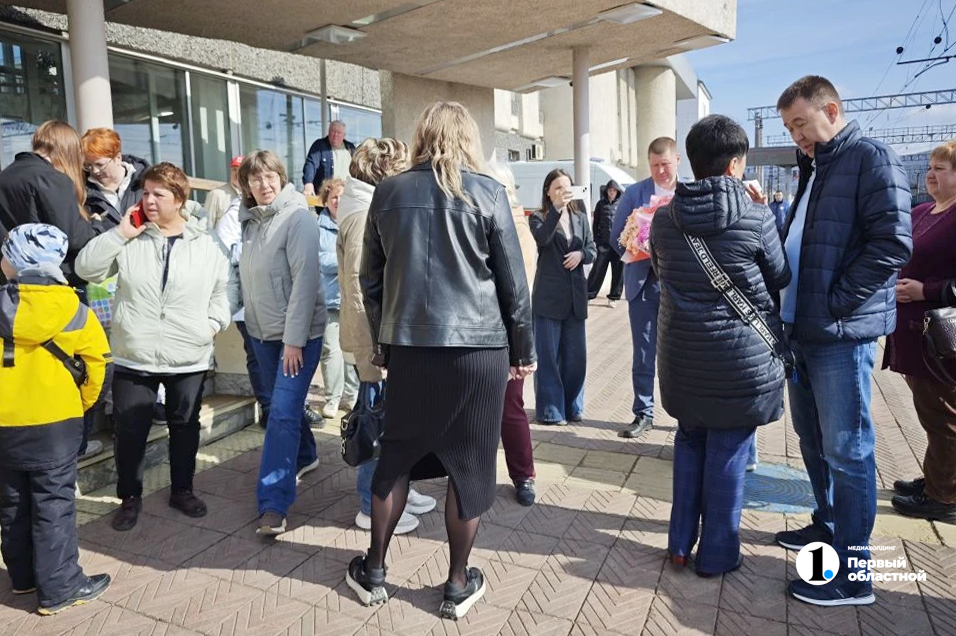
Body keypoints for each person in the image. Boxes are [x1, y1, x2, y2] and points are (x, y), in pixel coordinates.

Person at [345, 101, 535, 619]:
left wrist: (384, 343)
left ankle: (374, 570)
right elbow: (513, 284)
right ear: (468, 137)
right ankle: (456, 583)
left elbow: (370, 280)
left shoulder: (389, 192)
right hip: (479, 350)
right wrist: (524, 351)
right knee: (470, 464)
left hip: (411, 348)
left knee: (397, 457)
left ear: (422, 136)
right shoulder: (489, 191)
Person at [772, 76, 912, 607]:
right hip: (803, 330)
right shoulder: (818, 166)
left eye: (800, 124)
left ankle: (855, 575)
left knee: (848, 450)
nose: (796, 136)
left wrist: (834, 302)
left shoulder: (871, 158)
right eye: (789, 129)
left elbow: (891, 244)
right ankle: (827, 526)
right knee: (812, 441)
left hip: (838, 333)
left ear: (830, 110)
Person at [651, 115, 790, 577]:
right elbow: (780, 275)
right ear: (734, 165)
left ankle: (678, 545)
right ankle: (717, 554)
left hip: (682, 359)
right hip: (739, 364)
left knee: (689, 440)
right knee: (728, 450)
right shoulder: (756, 217)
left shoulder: (664, 219)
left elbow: (661, 271)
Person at [75, 163, 232, 532]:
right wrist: (120, 233)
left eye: (158, 194)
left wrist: (212, 324)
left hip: (188, 353)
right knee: (130, 431)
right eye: (145, 193)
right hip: (135, 353)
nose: (148, 200)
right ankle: (129, 497)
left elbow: (223, 289)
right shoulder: (131, 237)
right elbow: (86, 269)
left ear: (179, 199)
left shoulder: (206, 242)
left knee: (185, 426)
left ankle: (182, 490)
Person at [0, 224, 112, 615]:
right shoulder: (75, 310)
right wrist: (82, 404)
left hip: (4, 423)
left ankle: (23, 578)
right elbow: (99, 366)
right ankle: (61, 586)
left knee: (12, 500)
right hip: (55, 422)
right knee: (54, 503)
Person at [337, 138, 437, 533]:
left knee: (392, 422)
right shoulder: (363, 213)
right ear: (384, 170)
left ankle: (398, 490)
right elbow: (361, 289)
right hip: (374, 344)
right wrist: (379, 349)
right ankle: (370, 504)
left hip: (379, 340)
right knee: (376, 424)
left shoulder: (366, 206)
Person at [0, 121, 105, 461]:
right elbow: (75, 237)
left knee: (22, 368)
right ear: (67, 150)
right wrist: (98, 226)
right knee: (69, 365)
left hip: (12, 290)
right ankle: (77, 444)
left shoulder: (5, 176)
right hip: (58, 289)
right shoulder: (53, 179)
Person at [237, 150, 326, 537]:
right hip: (261, 333)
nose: (264, 184)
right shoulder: (250, 222)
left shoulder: (297, 218)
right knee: (280, 407)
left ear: (282, 177)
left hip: (297, 337)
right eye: (255, 179)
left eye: (270, 176)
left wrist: (294, 342)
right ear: (246, 185)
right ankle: (305, 454)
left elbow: (305, 282)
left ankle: (273, 503)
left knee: (282, 414)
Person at [885, 141, 956, 523]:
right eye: (930, 167)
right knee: (930, 412)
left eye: (941, 168)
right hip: (915, 336)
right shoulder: (922, 211)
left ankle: (944, 497)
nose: (930, 174)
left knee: (944, 415)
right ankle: (936, 479)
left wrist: (926, 291)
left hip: (942, 338)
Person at [611, 137, 681, 439]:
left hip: (679, 286)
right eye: (654, 166)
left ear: (677, 160)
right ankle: (643, 412)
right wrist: (638, 244)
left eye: (665, 164)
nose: (660, 171)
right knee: (643, 351)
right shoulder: (634, 193)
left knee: (680, 353)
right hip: (642, 284)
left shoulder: (688, 192)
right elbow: (616, 237)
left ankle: (684, 415)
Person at [486, 161, 538, 505]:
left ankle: (523, 475)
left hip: (507, 333)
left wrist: (519, 347)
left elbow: (520, 292)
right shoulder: (495, 221)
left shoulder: (515, 225)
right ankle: (475, 474)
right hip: (487, 330)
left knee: (510, 408)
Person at [530, 169, 597, 425]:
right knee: (548, 357)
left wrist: (582, 255)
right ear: (548, 192)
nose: (562, 192)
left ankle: (572, 407)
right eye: (557, 187)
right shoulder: (539, 217)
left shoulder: (581, 217)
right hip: (548, 297)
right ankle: (551, 411)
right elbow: (543, 239)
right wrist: (556, 209)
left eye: (566, 187)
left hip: (575, 296)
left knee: (576, 358)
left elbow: (592, 248)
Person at [317, 178, 360, 419]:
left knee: (352, 350)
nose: (338, 201)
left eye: (342, 196)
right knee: (331, 351)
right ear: (326, 200)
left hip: (351, 298)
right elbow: (321, 260)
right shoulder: (318, 226)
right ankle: (332, 398)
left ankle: (352, 395)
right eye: (333, 197)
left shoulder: (354, 221)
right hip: (330, 300)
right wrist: (345, 257)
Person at [81, 128, 150, 228]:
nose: (95, 171)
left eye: (100, 165)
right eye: (88, 166)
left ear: (118, 158)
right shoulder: (83, 193)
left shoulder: (146, 181)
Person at [587, 179, 624, 306]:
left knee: (618, 272)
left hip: (618, 245)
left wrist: (624, 241)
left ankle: (614, 297)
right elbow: (595, 223)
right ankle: (589, 294)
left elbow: (627, 222)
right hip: (603, 244)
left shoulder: (622, 204)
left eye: (614, 190)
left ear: (617, 192)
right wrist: (597, 240)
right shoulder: (600, 204)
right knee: (597, 269)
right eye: (610, 190)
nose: (612, 192)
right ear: (606, 191)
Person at [302, 121, 356, 198]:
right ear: (328, 132)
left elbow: (358, 169)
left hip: (347, 195)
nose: (335, 135)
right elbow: (311, 164)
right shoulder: (319, 146)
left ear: (344, 135)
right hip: (326, 196)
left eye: (339, 132)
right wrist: (308, 183)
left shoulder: (351, 148)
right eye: (333, 131)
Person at [204, 155, 244, 230]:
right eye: (234, 170)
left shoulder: (253, 196)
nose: (237, 173)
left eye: (241, 170)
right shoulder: (216, 195)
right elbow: (206, 226)